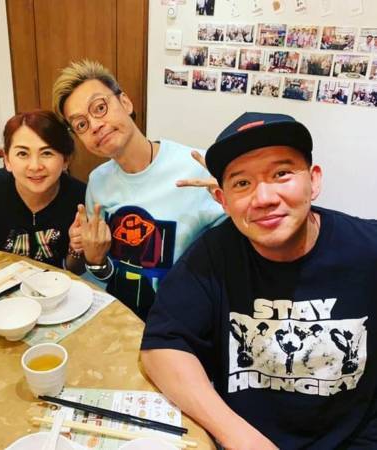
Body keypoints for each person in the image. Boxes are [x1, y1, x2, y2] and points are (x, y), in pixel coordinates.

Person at [141, 112, 377, 449]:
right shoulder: (213, 255)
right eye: (242, 183)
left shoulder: (366, 249)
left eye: (281, 174)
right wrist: (241, 438)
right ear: (222, 200)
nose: (264, 198)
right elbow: (162, 346)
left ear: (314, 181)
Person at [52, 60, 223, 320]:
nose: (95, 125)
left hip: (181, 322)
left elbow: (241, 259)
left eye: (100, 108)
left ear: (126, 103)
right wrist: (91, 256)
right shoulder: (98, 181)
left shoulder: (199, 168)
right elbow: (102, 275)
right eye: (81, 125)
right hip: (117, 317)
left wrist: (237, 199)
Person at [0, 110, 86, 273]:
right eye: (22, 153)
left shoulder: (80, 197)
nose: (35, 166)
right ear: (7, 160)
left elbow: (75, 271)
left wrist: (75, 249)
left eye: (47, 153)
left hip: (52, 284)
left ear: (65, 160)